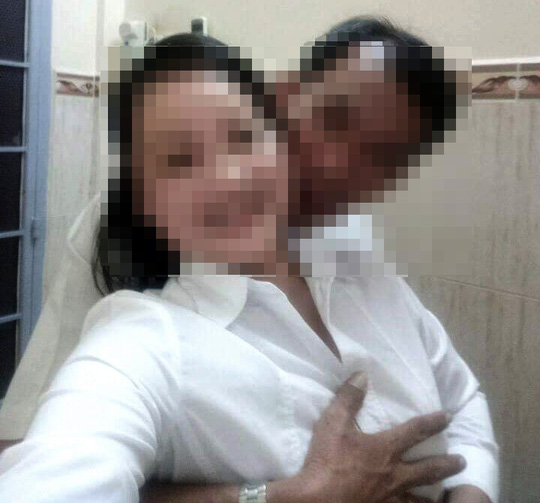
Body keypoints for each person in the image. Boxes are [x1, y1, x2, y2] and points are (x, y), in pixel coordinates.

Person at [0, 22, 497, 503]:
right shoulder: (134, 274)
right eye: (335, 119)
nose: (340, 162)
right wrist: (283, 498)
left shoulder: (355, 245)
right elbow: (39, 446)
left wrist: (471, 489)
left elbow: (459, 397)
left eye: (383, 155)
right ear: (284, 95)